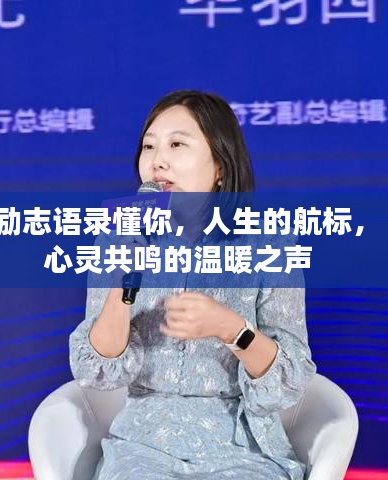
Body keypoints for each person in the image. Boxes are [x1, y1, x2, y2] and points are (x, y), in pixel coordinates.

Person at [69, 90, 316, 479]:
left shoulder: (271, 243)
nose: (157, 160)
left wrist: (230, 328)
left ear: (220, 165)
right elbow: (98, 370)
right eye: (149, 146)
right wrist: (123, 277)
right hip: (142, 444)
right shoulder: (118, 236)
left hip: (240, 443)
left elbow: (289, 379)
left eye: (176, 144)